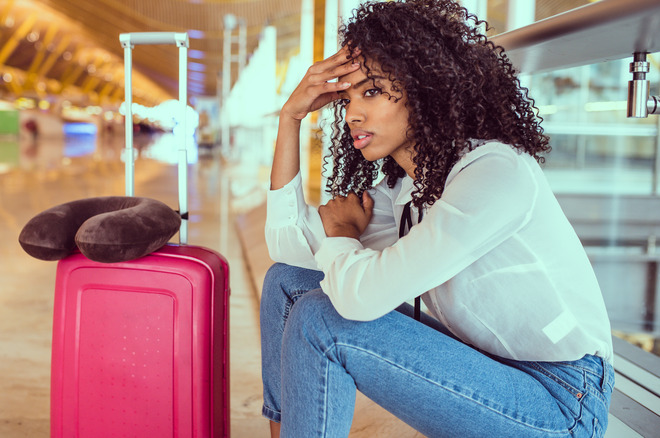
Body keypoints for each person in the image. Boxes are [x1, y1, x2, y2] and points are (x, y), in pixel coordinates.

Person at [260, 1, 614, 437]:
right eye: (347, 98)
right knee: (288, 282)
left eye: (371, 92)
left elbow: (359, 301)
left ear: (424, 86)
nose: (352, 113)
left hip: (561, 402)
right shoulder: (407, 191)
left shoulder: (495, 173)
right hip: (486, 370)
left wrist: (341, 237)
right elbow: (287, 243)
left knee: (322, 318)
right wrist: (290, 118)